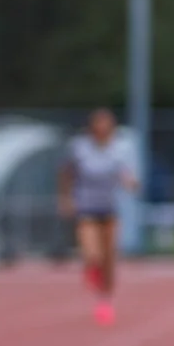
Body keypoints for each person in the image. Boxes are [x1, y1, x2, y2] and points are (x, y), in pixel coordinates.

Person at [58, 107, 139, 326]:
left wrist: (131, 182)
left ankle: (105, 300)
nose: (102, 129)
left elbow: (127, 173)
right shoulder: (79, 147)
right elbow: (66, 173)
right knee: (92, 252)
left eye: (106, 125)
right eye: (98, 125)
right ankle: (90, 268)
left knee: (109, 257)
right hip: (87, 208)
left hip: (110, 208)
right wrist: (66, 198)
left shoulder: (121, 148)